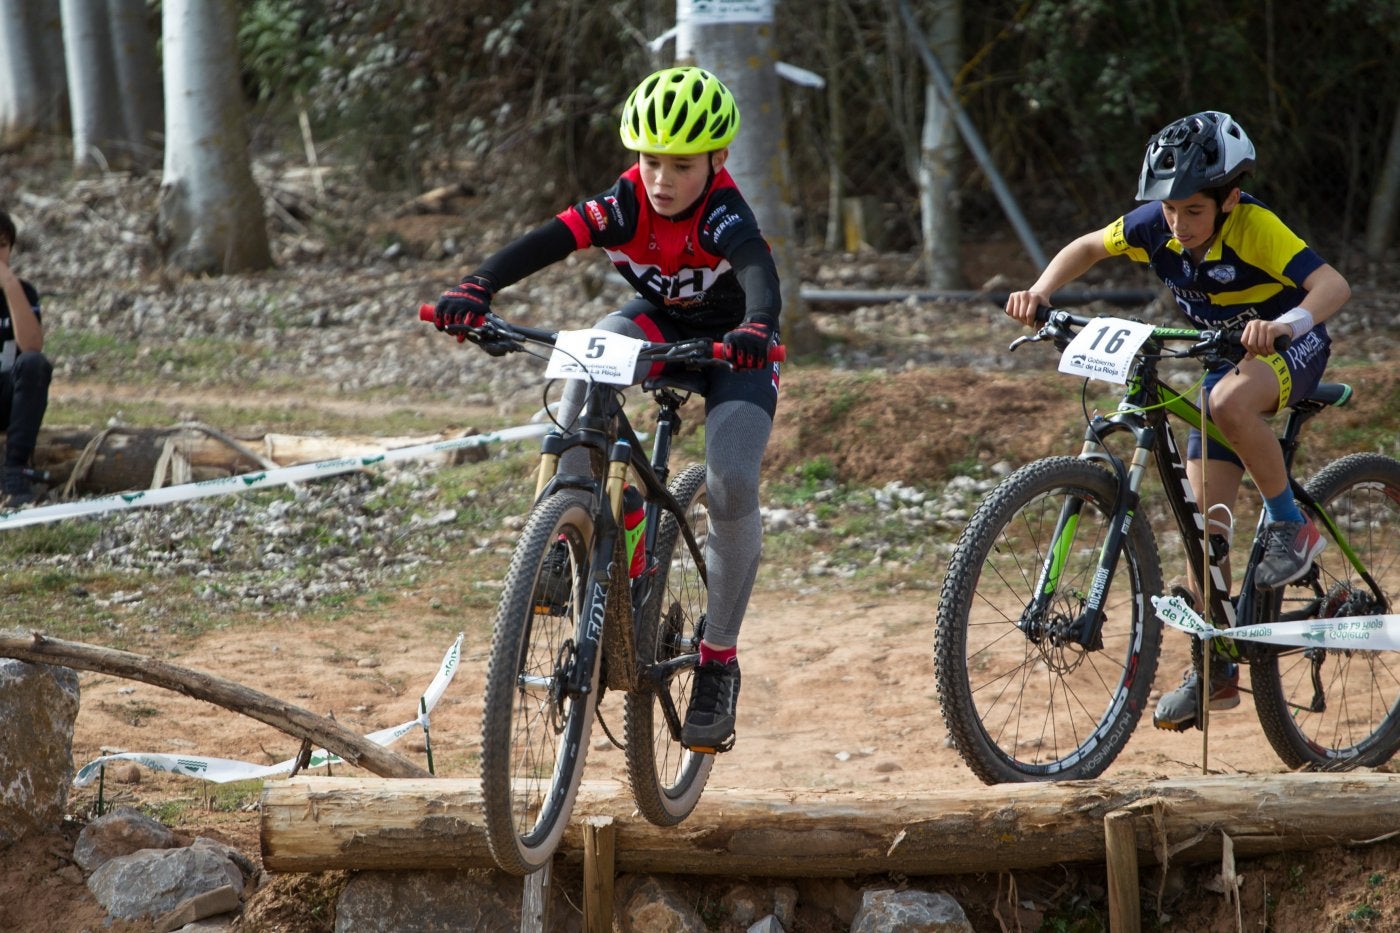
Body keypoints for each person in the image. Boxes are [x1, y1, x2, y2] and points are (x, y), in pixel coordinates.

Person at [432, 66, 782, 753]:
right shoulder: (626, 203)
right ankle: (574, 518)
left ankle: (717, 660)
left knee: (732, 484)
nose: (661, 177)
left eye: (681, 164)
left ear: (716, 161)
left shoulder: (723, 212)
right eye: (651, 160)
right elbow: (550, 238)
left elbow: (757, 274)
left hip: (733, 347)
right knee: (597, 340)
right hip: (659, 326)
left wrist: (760, 326)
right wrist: (478, 286)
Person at [1003, 111, 1351, 731]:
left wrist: (1287, 323)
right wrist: (1042, 292)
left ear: (1228, 200)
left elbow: (1332, 284)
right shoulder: (1155, 226)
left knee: (1225, 405)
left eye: (1194, 210)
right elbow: (1086, 246)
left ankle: (1291, 527)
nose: (1178, 224)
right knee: (1203, 528)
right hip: (1225, 358)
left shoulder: (1255, 227)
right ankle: (1215, 667)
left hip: (1286, 346)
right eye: (1168, 211)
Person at [0, 209, 53, 508]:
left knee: (35, 364)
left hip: (8, 399)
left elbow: (31, 345)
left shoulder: (23, 292)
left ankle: (14, 469)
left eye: (2, 245)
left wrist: (10, 286)